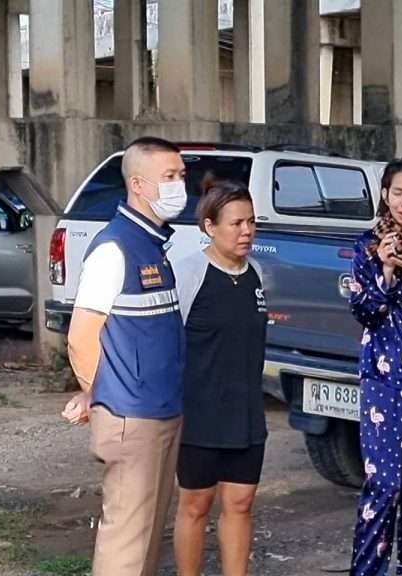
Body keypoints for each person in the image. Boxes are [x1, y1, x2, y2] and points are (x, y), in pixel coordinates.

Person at [60, 136, 189, 576]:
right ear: (137, 184)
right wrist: (96, 394)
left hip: (161, 410)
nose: (178, 186)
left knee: (148, 536)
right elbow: (81, 338)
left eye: (181, 176)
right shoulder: (114, 249)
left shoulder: (151, 246)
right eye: (168, 177)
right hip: (132, 416)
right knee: (127, 542)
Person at [171, 179, 268, 576]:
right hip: (199, 414)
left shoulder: (255, 273)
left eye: (251, 222)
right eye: (236, 223)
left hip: (246, 414)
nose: (246, 231)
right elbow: (167, 344)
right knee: (196, 505)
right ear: (210, 226)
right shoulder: (188, 274)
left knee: (241, 504)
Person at [348, 157, 402, 576]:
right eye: (398, 193)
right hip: (383, 379)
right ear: (385, 195)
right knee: (384, 484)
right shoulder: (368, 245)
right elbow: (364, 312)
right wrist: (385, 270)